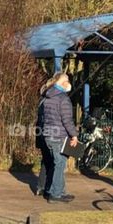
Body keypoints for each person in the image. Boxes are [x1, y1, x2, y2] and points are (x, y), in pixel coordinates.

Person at [38, 73, 75, 202]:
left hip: (48, 135)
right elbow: (67, 120)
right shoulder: (63, 99)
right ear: (63, 83)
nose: (69, 83)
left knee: (56, 164)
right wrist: (74, 135)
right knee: (59, 164)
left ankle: (55, 190)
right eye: (67, 80)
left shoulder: (47, 97)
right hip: (59, 136)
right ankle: (56, 194)